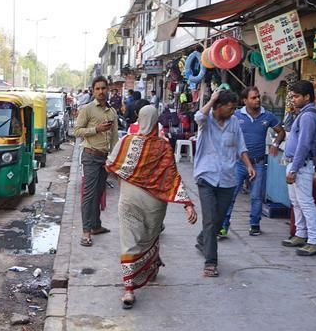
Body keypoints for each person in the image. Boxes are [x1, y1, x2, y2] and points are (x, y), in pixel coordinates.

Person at [107, 105, 197, 309]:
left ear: (139, 119)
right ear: (156, 122)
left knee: (129, 240)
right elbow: (172, 177)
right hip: (155, 203)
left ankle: (129, 289)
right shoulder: (163, 146)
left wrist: (127, 181)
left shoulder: (126, 142)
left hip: (129, 198)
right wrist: (187, 204)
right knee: (150, 237)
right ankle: (150, 267)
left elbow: (111, 165)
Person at [193, 90, 255, 277]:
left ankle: (203, 239)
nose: (233, 111)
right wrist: (212, 99)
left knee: (218, 220)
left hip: (228, 178)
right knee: (211, 219)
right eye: (230, 107)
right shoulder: (206, 121)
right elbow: (198, 116)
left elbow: (240, 146)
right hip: (207, 176)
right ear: (218, 107)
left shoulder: (234, 122)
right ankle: (210, 263)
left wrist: (249, 166)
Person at [221, 87, 286, 237]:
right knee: (230, 195)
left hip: (258, 163)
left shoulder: (267, 116)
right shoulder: (236, 116)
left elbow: (281, 131)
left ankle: (255, 225)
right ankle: (223, 226)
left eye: (258, 97)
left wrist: (275, 144)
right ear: (245, 101)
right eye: (253, 98)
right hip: (238, 163)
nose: (257, 100)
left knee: (256, 196)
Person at [74, 76, 118, 247]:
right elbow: (77, 131)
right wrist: (96, 129)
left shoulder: (112, 112)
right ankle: (86, 232)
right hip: (91, 156)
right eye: (97, 89)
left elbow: (114, 138)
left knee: (100, 192)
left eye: (103, 88)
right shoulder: (87, 109)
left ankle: (96, 226)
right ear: (93, 91)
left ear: (108, 90)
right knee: (89, 194)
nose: (101, 91)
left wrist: (114, 159)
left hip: (104, 157)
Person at [281, 80, 316, 256]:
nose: (294, 100)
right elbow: (289, 129)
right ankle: (300, 233)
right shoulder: (302, 114)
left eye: (296, 97)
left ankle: (314, 240)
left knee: (305, 202)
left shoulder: (308, 116)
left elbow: (304, 145)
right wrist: (290, 113)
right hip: (295, 163)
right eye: (292, 97)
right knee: (296, 202)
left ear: (307, 97)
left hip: (301, 165)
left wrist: (294, 169)